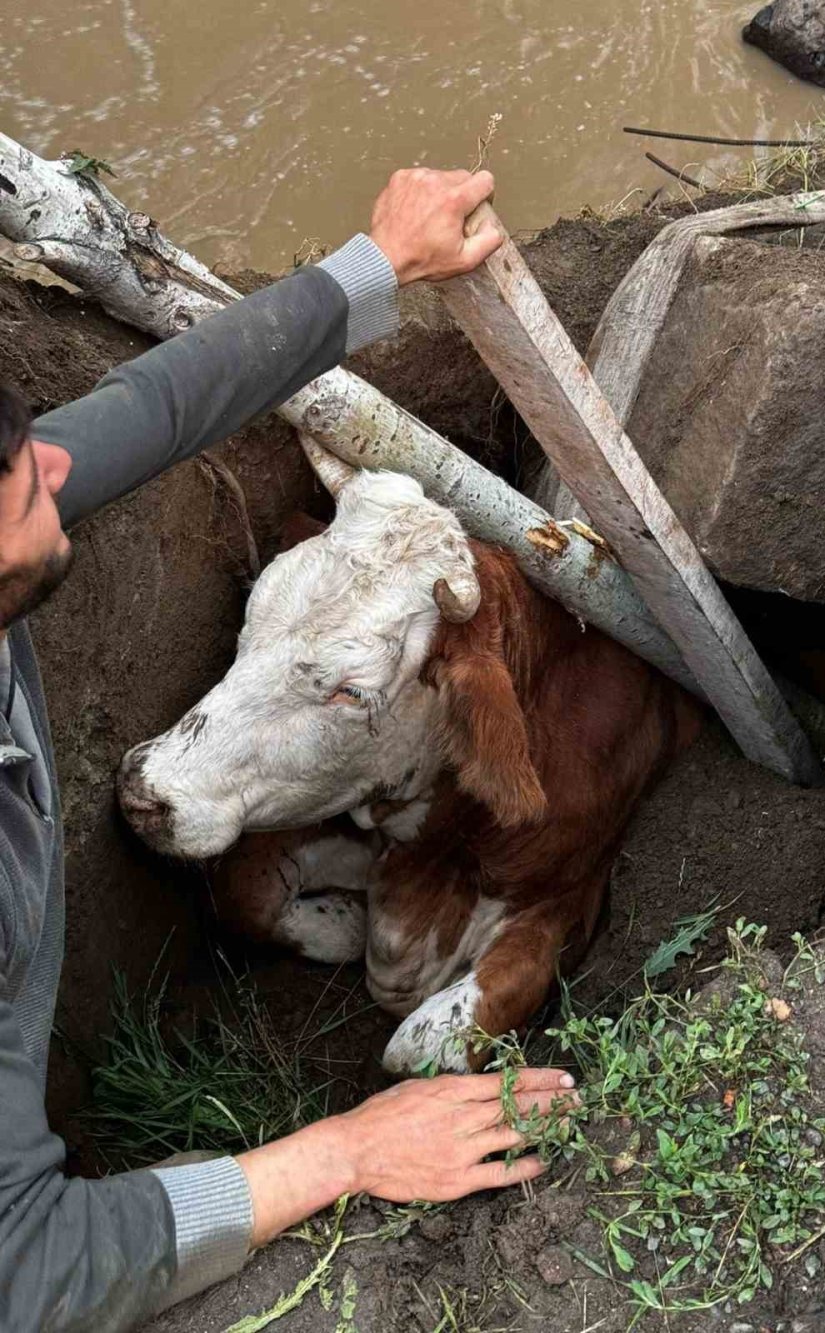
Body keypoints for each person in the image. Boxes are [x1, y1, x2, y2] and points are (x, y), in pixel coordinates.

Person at [0, 167, 576, 1331]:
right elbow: (24, 1271)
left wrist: (375, 265)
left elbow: (150, 408)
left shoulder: (27, 495)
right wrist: (346, 1151)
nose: (61, 468)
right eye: (23, 484)